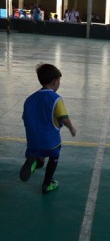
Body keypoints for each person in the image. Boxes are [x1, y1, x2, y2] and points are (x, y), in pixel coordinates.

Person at [20, 64, 76, 194]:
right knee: (53, 156)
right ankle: (47, 184)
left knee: (39, 156)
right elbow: (64, 118)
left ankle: (33, 162)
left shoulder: (29, 99)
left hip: (33, 141)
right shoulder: (55, 99)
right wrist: (71, 128)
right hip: (50, 141)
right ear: (55, 81)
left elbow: (25, 118)